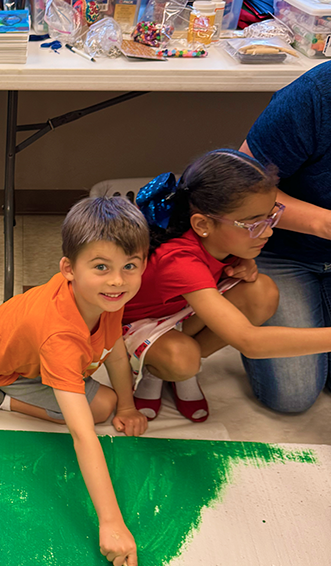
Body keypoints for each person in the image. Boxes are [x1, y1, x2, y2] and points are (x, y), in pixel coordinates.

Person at [0, 195, 151, 566]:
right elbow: (83, 435)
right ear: (68, 269)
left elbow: (116, 351)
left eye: (130, 266)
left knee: (112, 402)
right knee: (98, 408)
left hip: (24, 344)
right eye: (101, 267)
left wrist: (129, 408)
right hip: (5, 369)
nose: (118, 280)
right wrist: (112, 523)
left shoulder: (107, 295)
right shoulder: (61, 337)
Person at [126, 147, 331, 423]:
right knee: (182, 359)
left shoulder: (221, 235)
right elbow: (250, 342)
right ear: (202, 224)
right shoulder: (180, 259)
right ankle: (158, 369)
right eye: (253, 223)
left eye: (271, 216)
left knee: (262, 292)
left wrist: (244, 260)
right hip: (140, 320)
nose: (268, 230)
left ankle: (181, 366)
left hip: (180, 310)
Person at [238, 61, 331, 412]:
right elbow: (243, 186)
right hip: (279, 248)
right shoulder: (318, 95)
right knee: (293, 394)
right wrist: (325, 224)